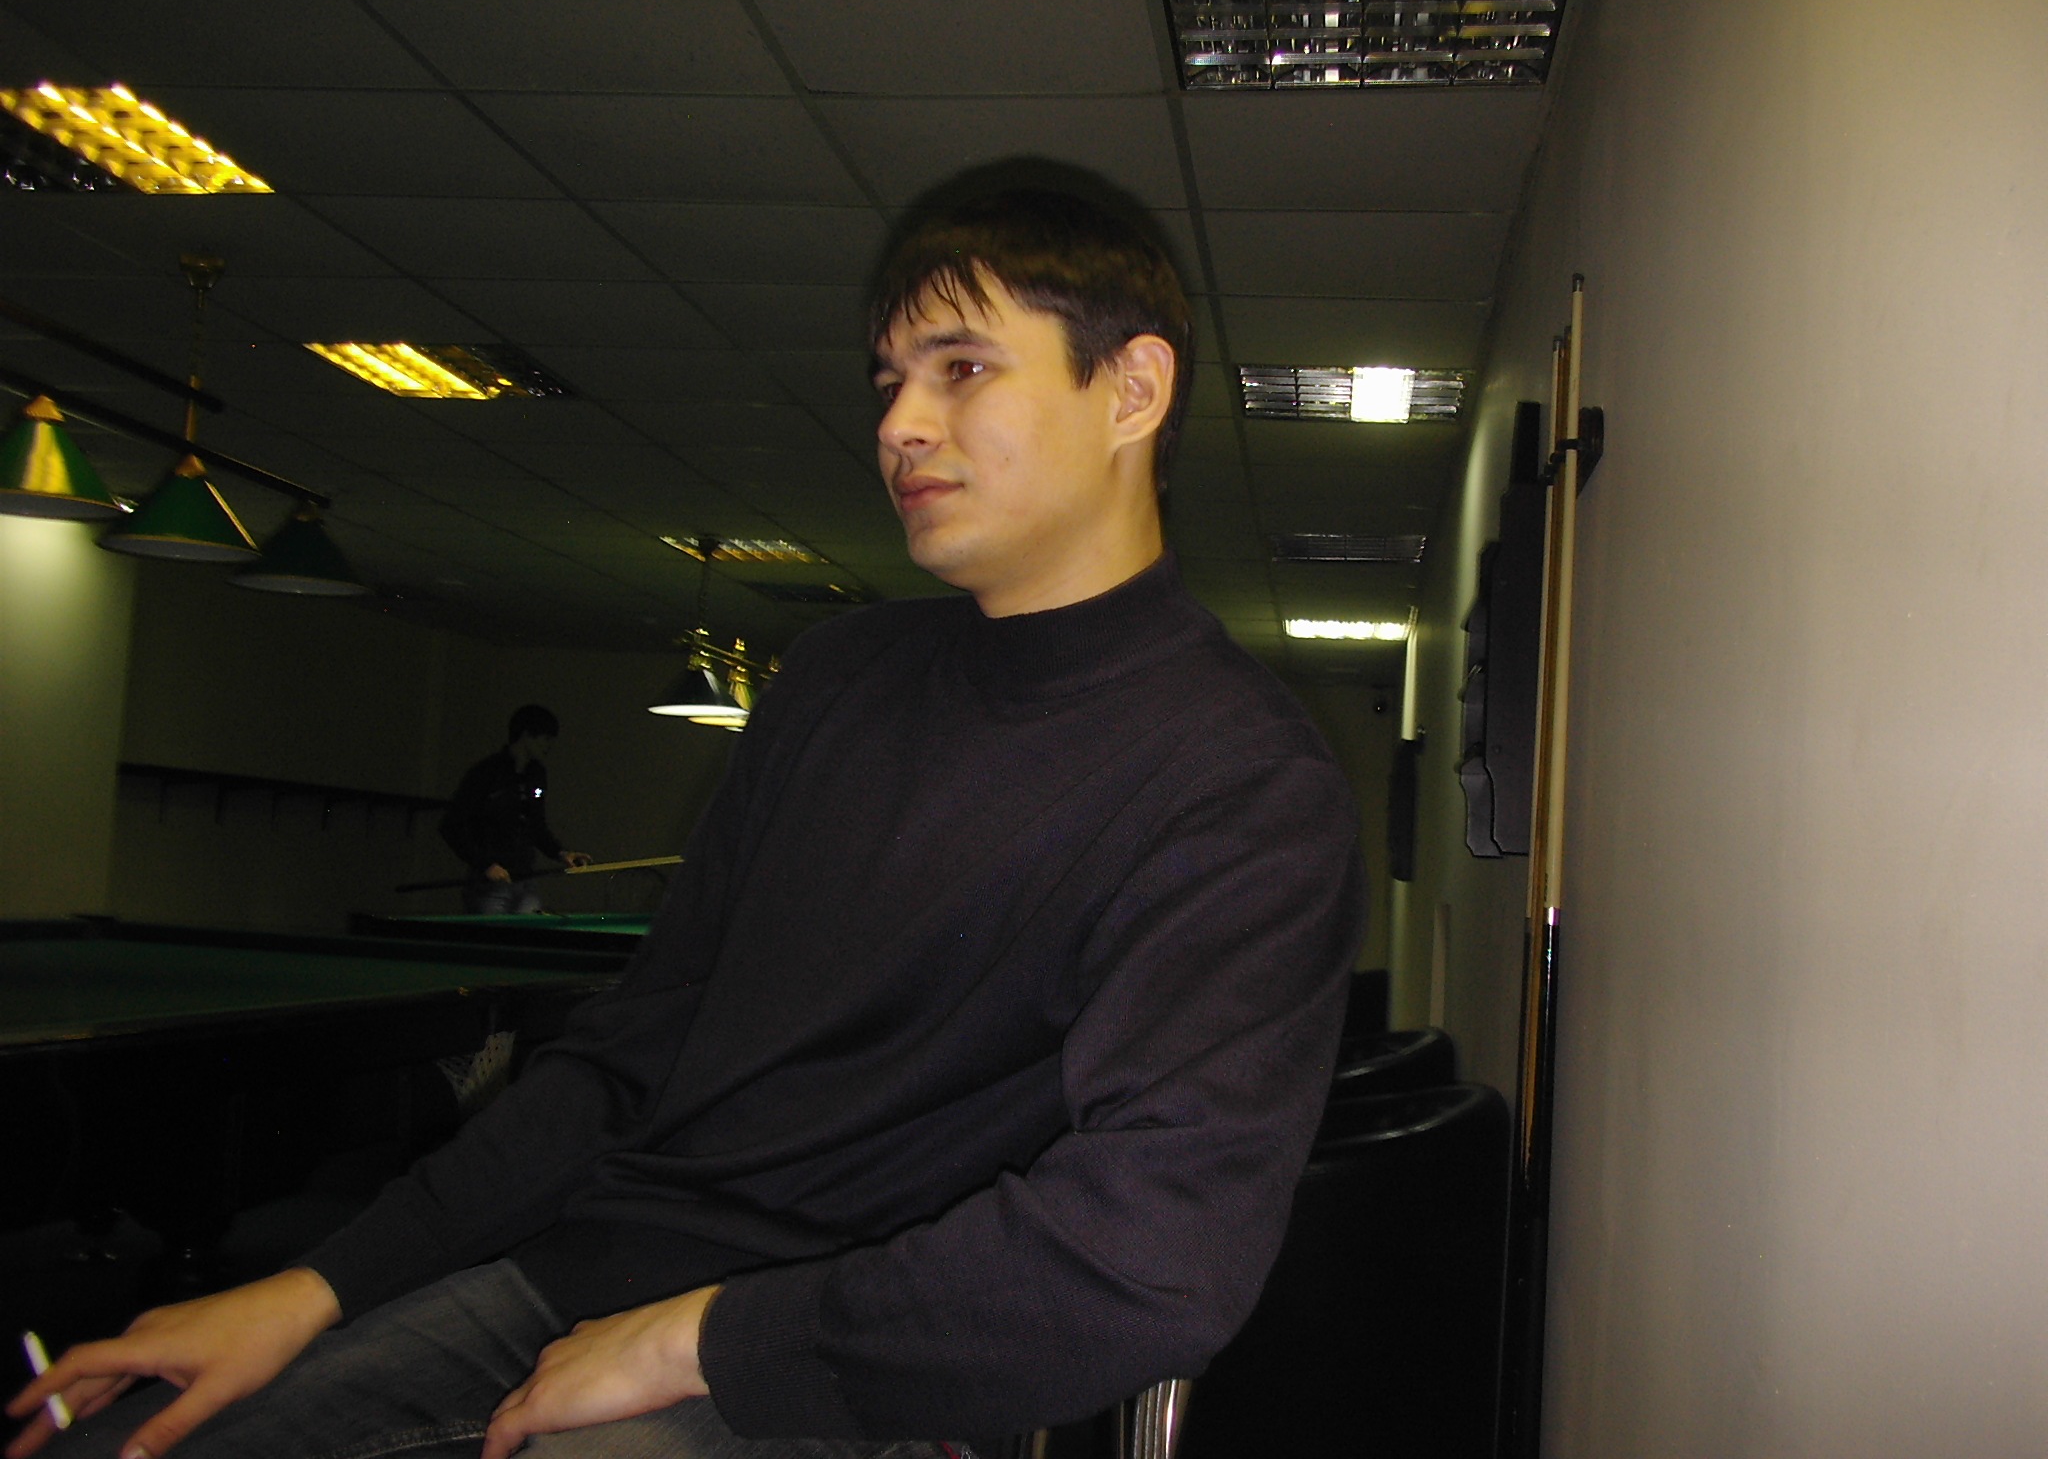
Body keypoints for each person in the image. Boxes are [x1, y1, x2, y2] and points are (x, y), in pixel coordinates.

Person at [8, 188, 1366, 1459]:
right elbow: (628, 1058)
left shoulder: (1238, 785)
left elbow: (1148, 1264)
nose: (899, 423)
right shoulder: (836, 677)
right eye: (888, 381)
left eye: (960, 367)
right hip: (571, 1282)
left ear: (1131, 389)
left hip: (826, 1363)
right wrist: (311, 1290)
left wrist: (699, 1342)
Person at [440, 705, 592, 914]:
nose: (549, 745)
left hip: (525, 880)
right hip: (490, 886)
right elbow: (451, 825)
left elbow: (536, 825)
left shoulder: (536, 774)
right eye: (545, 738)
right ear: (526, 735)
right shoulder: (486, 773)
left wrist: (561, 853)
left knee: (528, 931)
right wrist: (485, 865)